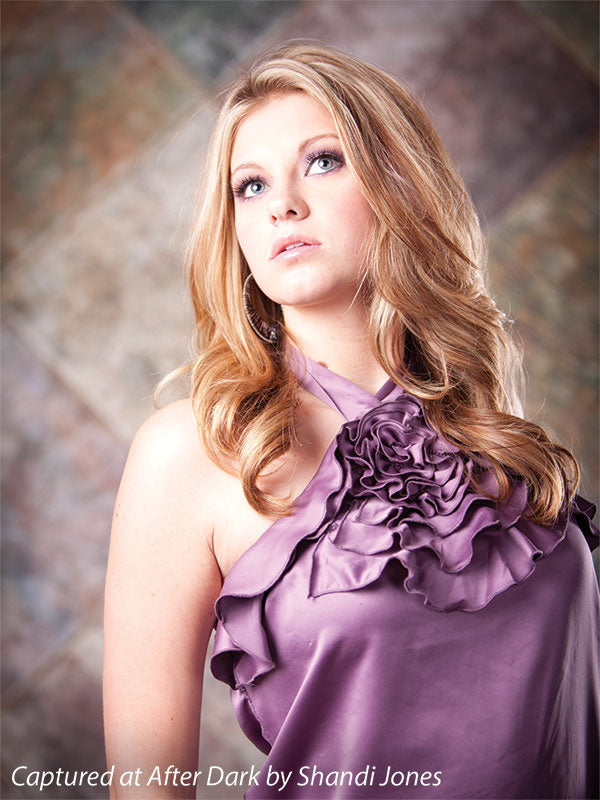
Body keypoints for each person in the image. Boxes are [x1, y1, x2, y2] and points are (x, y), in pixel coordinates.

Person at [103, 40, 599, 800]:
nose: (282, 204)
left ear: (401, 184)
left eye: (323, 161)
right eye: (251, 185)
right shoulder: (192, 454)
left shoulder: (500, 441)